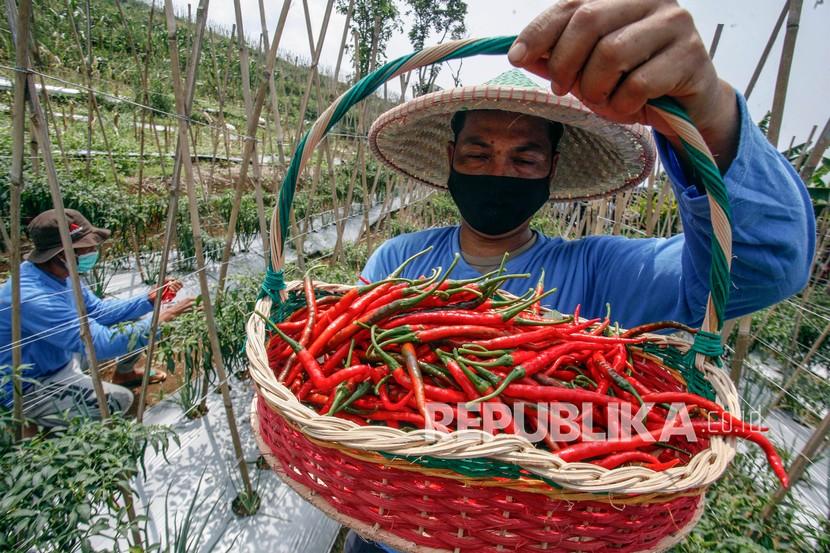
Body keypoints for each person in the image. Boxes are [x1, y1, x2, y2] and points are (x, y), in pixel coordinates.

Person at [349, 1, 815, 551]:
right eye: (477, 154)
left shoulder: (603, 274)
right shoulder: (397, 263)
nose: (499, 172)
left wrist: (711, 111)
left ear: (552, 168)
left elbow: (764, 266)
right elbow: (361, 392)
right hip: (393, 528)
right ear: (450, 158)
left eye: (524, 160)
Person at [0, 209, 195, 427]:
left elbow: (98, 312)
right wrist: (160, 320)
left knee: (129, 324)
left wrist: (149, 300)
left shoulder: (61, 274)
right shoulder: (33, 296)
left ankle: (125, 374)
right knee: (118, 401)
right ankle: (31, 427)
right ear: (61, 252)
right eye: (86, 247)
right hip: (32, 383)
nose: (93, 251)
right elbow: (101, 344)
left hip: (62, 354)